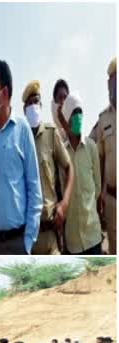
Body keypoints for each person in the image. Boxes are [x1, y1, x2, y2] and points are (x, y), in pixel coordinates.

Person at [0, 60, 43, 254]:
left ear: (4, 93)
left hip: (18, 242)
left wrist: (28, 242)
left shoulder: (23, 132)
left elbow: (34, 191)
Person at [22, 80, 74, 255]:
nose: (33, 106)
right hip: (28, 235)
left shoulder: (52, 134)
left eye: (36, 102)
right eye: (29, 104)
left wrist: (64, 203)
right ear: (24, 111)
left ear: (41, 105)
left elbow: (69, 168)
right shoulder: (20, 141)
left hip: (51, 232)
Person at [62, 94, 102, 255]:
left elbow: (97, 185)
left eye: (80, 112)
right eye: (74, 112)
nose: (78, 116)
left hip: (93, 235)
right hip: (73, 240)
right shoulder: (62, 153)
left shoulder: (91, 147)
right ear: (66, 117)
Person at [90, 58, 116, 254]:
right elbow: (98, 158)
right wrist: (100, 194)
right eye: (112, 81)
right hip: (112, 199)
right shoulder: (103, 119)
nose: (114, 86)